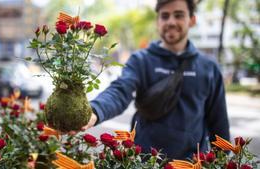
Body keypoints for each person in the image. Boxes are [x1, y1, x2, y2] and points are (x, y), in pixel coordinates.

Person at [80, 0, 230, 159]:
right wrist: (94, 111)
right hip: (143, 161)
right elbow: (120, 90)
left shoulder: (208, 67)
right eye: (165, 16)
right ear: (158, 22)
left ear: (192, 20)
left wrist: (221, 159)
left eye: (179, 15)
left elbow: (219, 123)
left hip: (190, 162)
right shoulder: (141, 60)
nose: (171, 21)